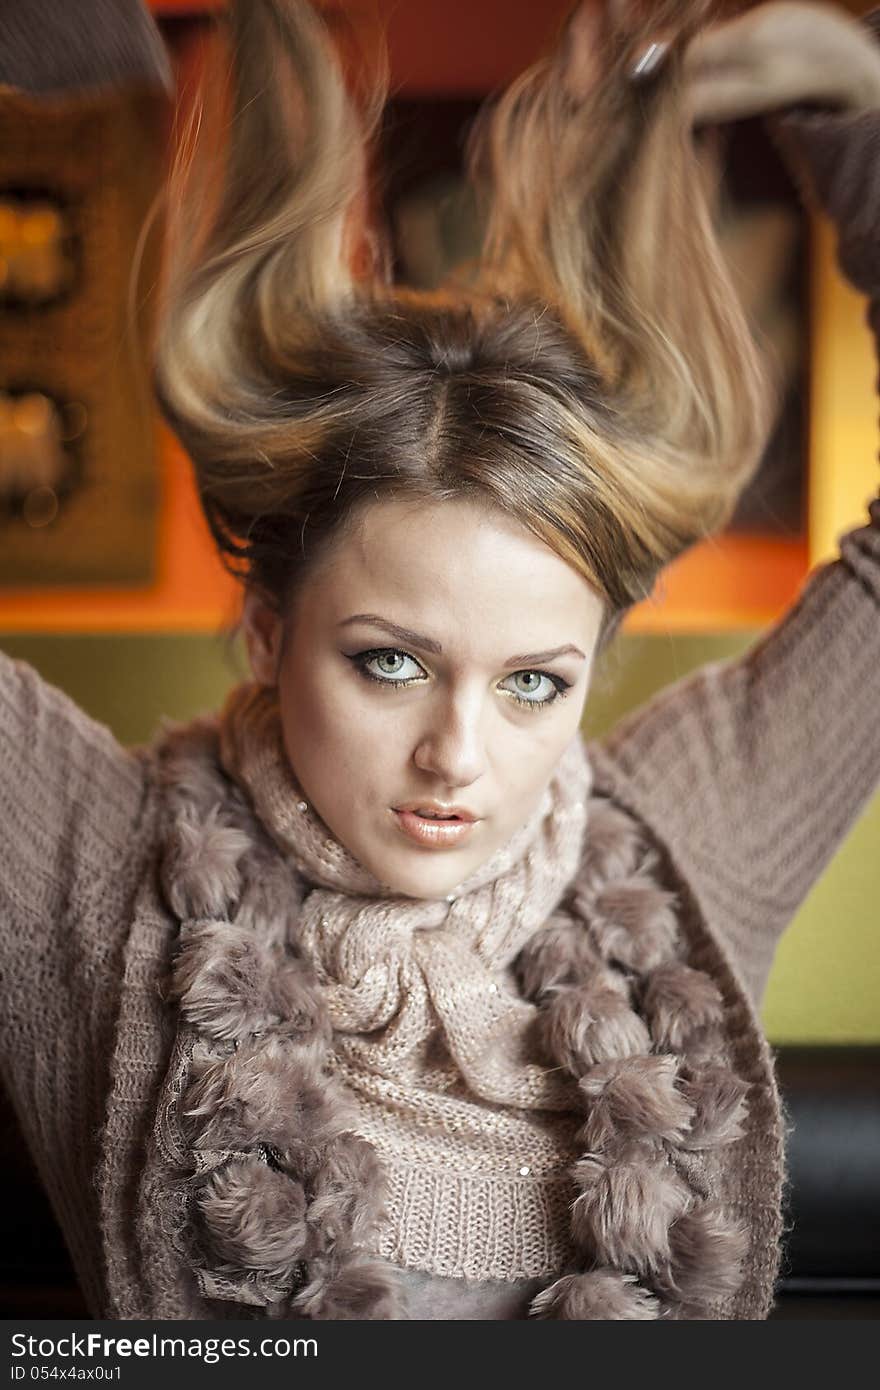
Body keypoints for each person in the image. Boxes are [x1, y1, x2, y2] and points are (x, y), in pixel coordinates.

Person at [1, 0, 879, 1321]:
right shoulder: (87, 860)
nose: (459, 756)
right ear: (267, 629)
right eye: (391, 663)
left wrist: (858, 95)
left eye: (536, 681)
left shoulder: (687, 833)